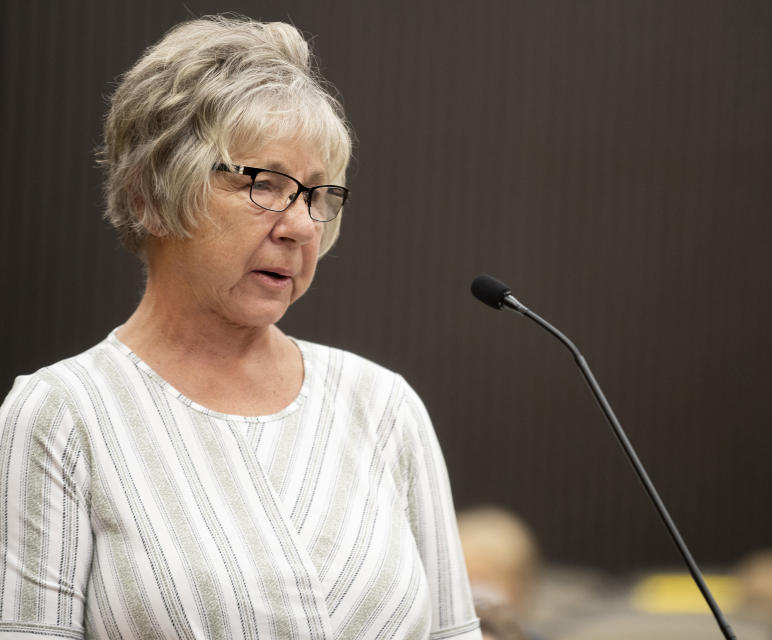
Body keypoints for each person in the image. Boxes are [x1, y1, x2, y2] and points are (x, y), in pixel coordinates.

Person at [0, 16, 479, 640]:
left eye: (316, 195)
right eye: (266, 184)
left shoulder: (383, 406)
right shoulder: (63, 413)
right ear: (150, 191)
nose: (302, 226)